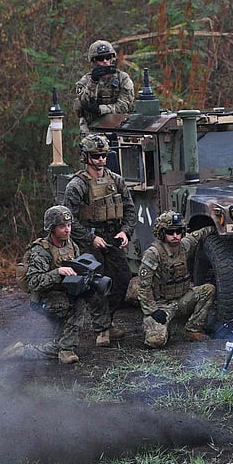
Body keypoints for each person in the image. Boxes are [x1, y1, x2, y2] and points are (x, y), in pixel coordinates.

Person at [0, 205, 110, 364]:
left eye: (69, 225)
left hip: (64, 292)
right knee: (75, 305)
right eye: (62, 226)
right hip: (45, 300)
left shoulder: (71, 245)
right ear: (51, 228)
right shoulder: (40, 251)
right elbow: (33, 282)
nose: (67, 230)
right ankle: (64, 350)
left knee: (90, 295)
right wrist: (58, 272)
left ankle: (33, 349)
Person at [63, 133, 137, 323]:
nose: (101, 160)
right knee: (95, 281)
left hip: (113, 236)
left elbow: (130, 210)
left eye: (104, 155)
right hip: (90, 239)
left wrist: (125, 231)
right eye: (96, 156)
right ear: (86, 157)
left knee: (122, 277)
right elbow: (68, 219)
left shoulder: (117, 181)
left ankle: (108, 317)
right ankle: (101, 327)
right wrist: (90, 238)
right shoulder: (77, 185)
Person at [137, 211, 217, 348]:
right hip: (161, 304)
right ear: (162, 233)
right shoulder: (153, 254)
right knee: (156, 341)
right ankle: (157, 327)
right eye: (170, 232)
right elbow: (144, 286)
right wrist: (152, 310)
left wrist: (218, 227)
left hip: (182, 298)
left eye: (179, 231)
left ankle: (193, 328)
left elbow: (198, 235)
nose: (175, 236)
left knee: (208, 289)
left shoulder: (183, 246)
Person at [75, 39, 135, 131]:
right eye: (100, 58)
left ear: (112, 58)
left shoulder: (123, 79)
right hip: (91, 129)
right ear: (94, 61)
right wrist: (93, 81)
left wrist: (101, 109)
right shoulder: (85, 81)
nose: (105, 61)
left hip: (118, 128)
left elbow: (124, 106)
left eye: (108, 57)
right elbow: (83, 103)